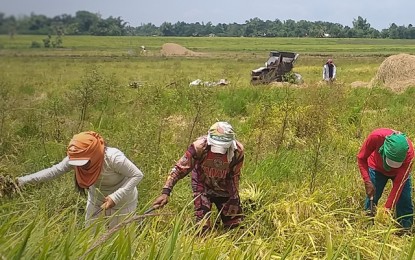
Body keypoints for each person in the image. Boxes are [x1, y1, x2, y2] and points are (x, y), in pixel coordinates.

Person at [17, 131, 144, 228]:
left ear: (94, 153)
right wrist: (22, 181)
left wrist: (116, 196)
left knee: (120, 239)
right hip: (96, 201)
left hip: (123, 203)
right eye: (77, 164)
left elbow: (137, 175)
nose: (80, 166)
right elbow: (54, 171)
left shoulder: (113, 158)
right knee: (92, 240)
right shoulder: (76, 157)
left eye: (84, 163)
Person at [152, 122, 244, 232]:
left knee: (235, 226)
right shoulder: (199, 147)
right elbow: (180, 168)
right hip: (202, 186)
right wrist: (166, 192)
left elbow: (234, 176)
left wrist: (234, 199)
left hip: (225, 187)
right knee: (202, 226)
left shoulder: (237, 151)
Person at [357, 128, 414, 230]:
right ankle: (366, 227)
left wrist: (387, 209)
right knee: (372, 197)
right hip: (376, 167)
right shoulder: (376, 137)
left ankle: (405, 230)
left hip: (399, 173)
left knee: (404, 200)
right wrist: (367, 180)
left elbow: (398, 186)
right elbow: (361, 158)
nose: (391, 167)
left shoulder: (409, 154)